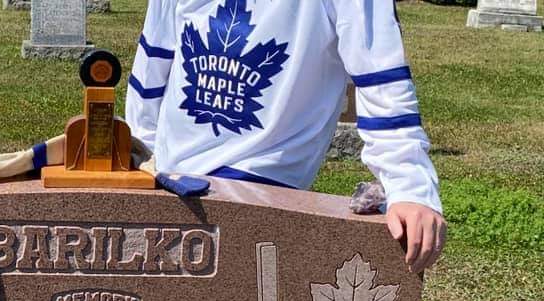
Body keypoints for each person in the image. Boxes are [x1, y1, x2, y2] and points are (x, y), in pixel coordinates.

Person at [126, 0, 446, 274]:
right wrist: (140, 154)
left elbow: (381, 76)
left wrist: (409, 185)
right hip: (170, 186)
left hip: (262, 196)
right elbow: (153, 64)